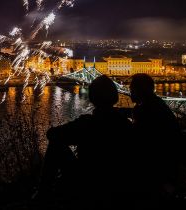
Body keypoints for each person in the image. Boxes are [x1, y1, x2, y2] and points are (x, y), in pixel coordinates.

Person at [35, 75, 133, 208]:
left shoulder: (87, 123)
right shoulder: (126, 125)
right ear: (114, 96)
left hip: (86, 181)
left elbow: (52, 134)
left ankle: (43, 195)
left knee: (56, 144)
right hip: (118, 184)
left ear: (92, 98)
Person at [129, 73, 181, 208]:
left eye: (132, 89)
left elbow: (139, 144)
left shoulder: (144, 111)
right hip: (168, 173)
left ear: (140, 91)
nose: (129, 92)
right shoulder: (158, 105)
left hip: (156, 178)